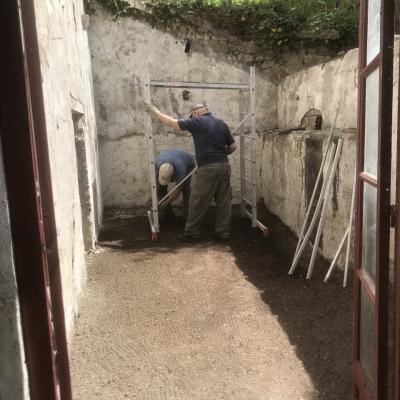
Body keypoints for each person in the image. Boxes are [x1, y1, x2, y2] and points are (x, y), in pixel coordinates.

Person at [144, 100, 237, 240]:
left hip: (208, 168)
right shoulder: (222, 123)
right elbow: (233, 147)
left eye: (192, 116)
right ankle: (223, 232)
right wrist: (220, 154)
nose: (192, 119)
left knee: (197, 200)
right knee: (224, 201)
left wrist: (154, 112)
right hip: (224, 166)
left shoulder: (197, 121)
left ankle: (191, 233)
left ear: (196, 112)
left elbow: (171, 122)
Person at [155, 149, 195, 221]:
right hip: (172, 159)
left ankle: (187, 214)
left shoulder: (181, 170)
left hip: (188, 164)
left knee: (185, 188)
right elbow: (155, 185)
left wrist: (166, 203)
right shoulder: (156, 163)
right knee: (161, 188)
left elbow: (177, 191)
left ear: (173, 174)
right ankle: (168, 214)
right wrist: (151, 198)